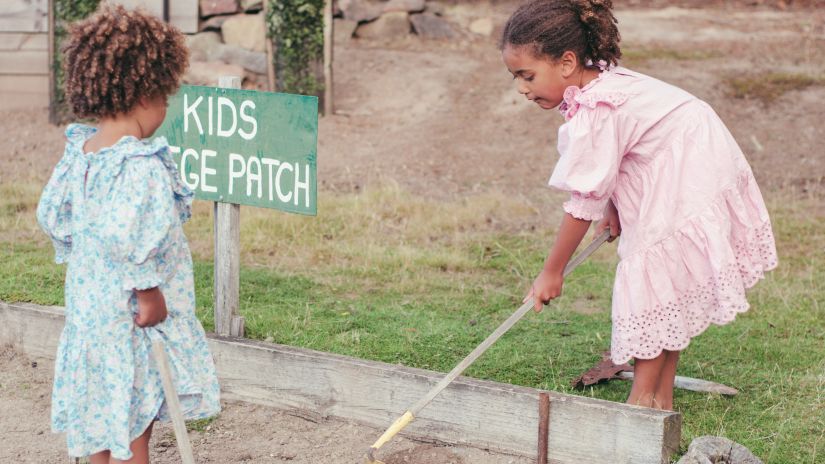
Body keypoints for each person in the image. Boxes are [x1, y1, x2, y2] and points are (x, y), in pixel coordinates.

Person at [500, 0, 777, 410]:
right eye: (516, 77)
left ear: (566, 62)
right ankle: (659, 398)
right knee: (663, 278)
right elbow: (615, 161)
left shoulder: (596, 108)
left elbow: (582, 201)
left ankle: (642, 400)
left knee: (650, 271)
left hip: (689, 162)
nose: (522, 87)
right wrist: (615, 208)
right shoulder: (598, 87)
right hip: (691, 148)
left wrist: (551, 271)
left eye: (527, 75)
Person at [36, 5, 220, 462]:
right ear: (144, 97)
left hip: (89, 309)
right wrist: (150, 291)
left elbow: (54, 215)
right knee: (134, 412)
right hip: (128, 314)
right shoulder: (140, 166)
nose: (165, 111)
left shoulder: (83, 150)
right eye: (165, 99)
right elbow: (131, 237)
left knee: (100, 404)